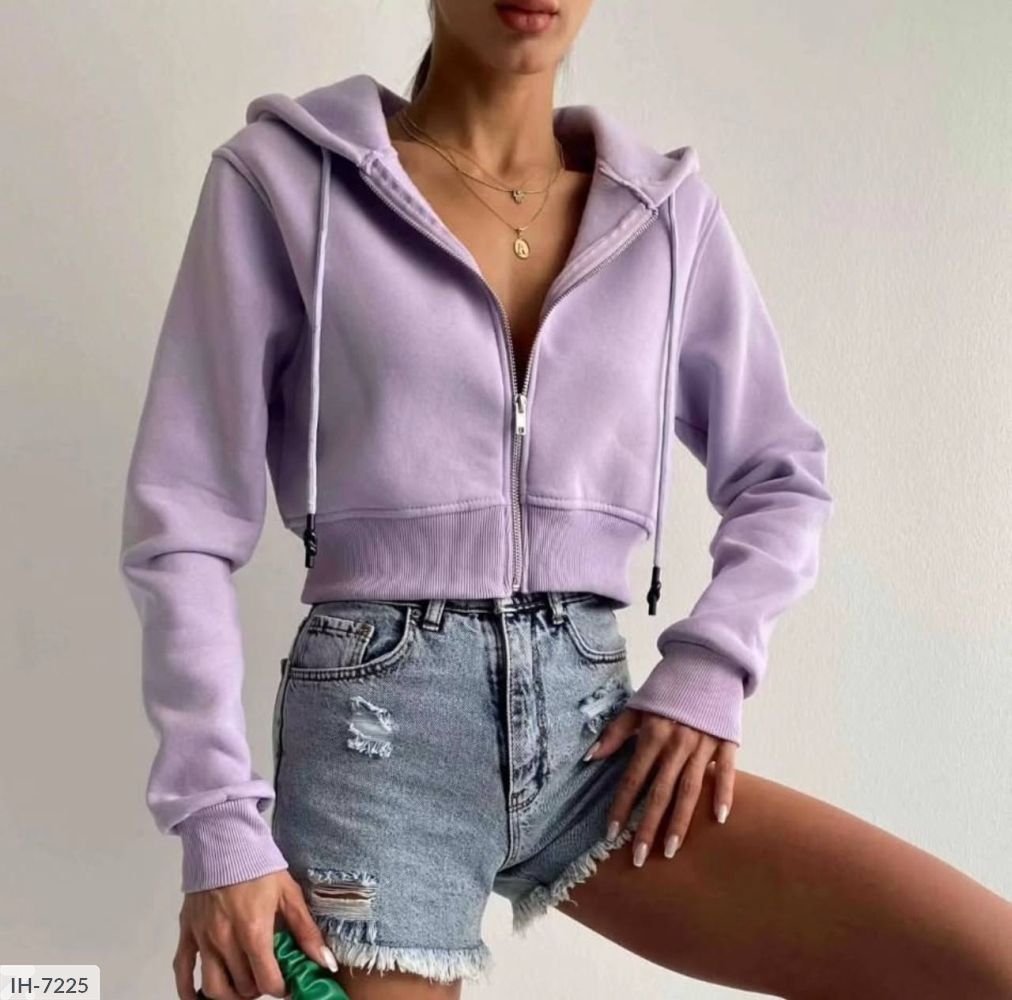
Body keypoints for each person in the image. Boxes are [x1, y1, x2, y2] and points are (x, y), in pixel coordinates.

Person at [119, 2, 1012, 998]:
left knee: (987, 964)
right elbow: (183, 525)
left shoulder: (664, 214)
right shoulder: (284, 181)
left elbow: (781, 473)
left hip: (602, 739)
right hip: (375, 744)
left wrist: (711, 664)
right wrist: (218, 823)